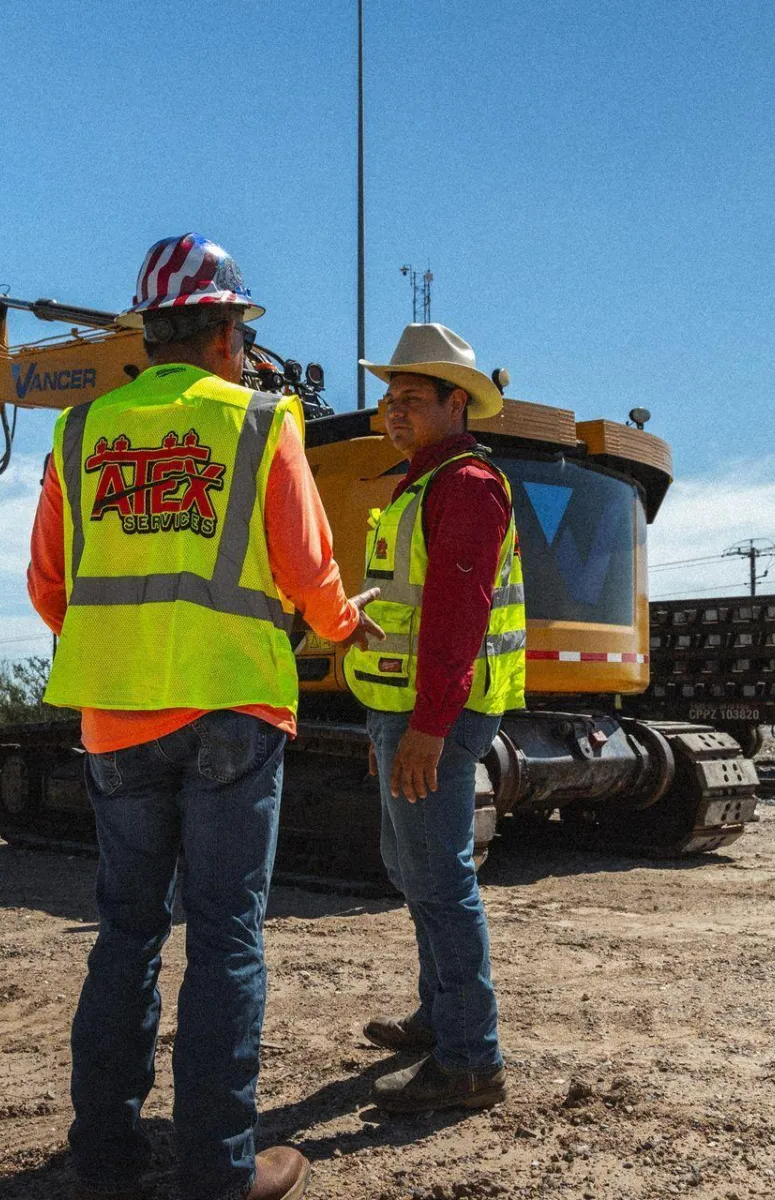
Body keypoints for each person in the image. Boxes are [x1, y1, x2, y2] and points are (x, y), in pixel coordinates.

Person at [27, 232, 382, 1200]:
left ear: (152, 333)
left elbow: (49, 587)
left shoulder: (80, 430)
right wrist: (347, 626)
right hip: (234, 710)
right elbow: (311, 577)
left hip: (117, 719)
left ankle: (103, 1156)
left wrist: (123, 648)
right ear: (227, 331)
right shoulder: (264, 424)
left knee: (128, 933)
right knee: (226, 937)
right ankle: (218, 1171)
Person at [344, 324, 526, 1114]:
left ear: (458, 404)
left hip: (438, 716)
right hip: (407, 709)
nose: (393, 410)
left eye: (411, 399)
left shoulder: (467, 485)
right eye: (388, 398)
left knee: (441, 880)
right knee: (411, 869)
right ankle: (439, 1015)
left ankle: (470, 1058)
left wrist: (427, 725)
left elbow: (456, 617)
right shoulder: (422, 480)